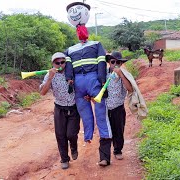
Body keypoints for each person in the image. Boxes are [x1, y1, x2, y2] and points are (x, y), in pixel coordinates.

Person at [65, 2, 112, 166]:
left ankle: (105, 153)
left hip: (93, 81)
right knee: (86, 114)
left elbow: (101, 63)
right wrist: (69, 80)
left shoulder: (97, 45)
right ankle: (88, 136)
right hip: (79, 83)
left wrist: (103, 81)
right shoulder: (70, 50)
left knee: (101, 115)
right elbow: (68, 66)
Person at [39, 52, 80, 170]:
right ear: (53, 64)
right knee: (60, 135)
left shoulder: (72, 73)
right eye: (57, 63)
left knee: (71, 134)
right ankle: (64, 159)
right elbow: (42, 93)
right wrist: (50, 78)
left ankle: (74, 147)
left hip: (73, 108)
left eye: (63, 62)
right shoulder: (49, 75)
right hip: (59, 108)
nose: (60, 65)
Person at [105, 51, 133, 160]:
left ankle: (118, 150)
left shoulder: (123, 74)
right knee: (107, 131)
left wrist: (121, 75)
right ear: (109, 62)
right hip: (105, 108)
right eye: (113, 62)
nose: (115, 64)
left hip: (118, 107)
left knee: (119, 130)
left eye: (118, 62)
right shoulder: (104, 74)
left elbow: (129, 89)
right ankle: (105, 155)